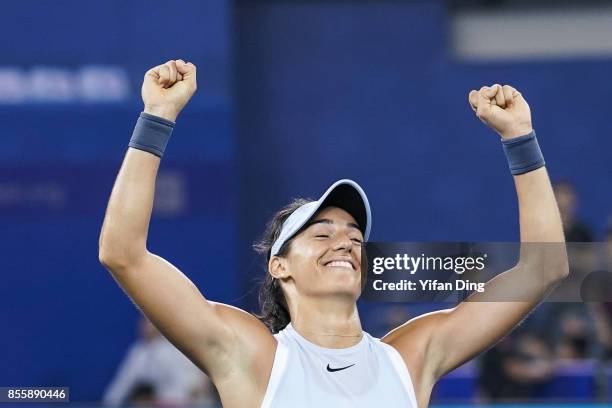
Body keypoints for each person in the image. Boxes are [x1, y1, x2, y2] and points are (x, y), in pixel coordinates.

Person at [98, 60, 568, 407]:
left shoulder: (410, 356)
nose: (345, 242)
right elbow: (123, 253)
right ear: (278, 265)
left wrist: (519, 137)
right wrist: (156, 118)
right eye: (321, 234)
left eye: (355, 237)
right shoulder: (248, 352)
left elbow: (544, 268)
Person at [103, 316, 217, 407]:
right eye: (145, 322)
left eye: (151, 322)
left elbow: (198, 383)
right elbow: (123, 383)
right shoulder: (141, 351)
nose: (147, 327)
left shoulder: (184, 347)